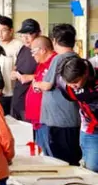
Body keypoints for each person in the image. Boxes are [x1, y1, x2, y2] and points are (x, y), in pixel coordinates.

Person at [35, 24, 82, 165]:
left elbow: (47, 85)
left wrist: (36, 84)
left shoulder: (58, 58)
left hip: (57, 121)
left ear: (54, 41)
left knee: (58, 162)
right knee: (71, 159)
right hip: (72, 119)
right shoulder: (77, 58)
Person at [61, 57, 98, 172]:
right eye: (69, 83)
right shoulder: (67, 88)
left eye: (76, 82)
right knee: (92, 168)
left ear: (85, 73)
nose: (73, 86)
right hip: (91, 131)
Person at [24, 36, 56, 139]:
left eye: (33, 51)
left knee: (47, 147)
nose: (32, 55)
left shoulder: (54, 63)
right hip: (38, 118)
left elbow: (47, 85)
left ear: (42, 50)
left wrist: (37, 84)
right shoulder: (42, 64)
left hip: (46, 118)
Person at [11, 19, 42, 121]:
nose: (25, 38)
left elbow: (49, 75)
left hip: (32, 102)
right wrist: (14, 73)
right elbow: (17, 67)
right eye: (23, 35)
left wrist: (30, 77)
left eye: (29, 34)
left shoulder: (42, 51)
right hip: (17, 99)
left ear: (39, 33)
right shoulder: (23, 49)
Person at [0, 16, 23, 114]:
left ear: (11, 31)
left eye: (3, 30)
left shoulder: (19, 46)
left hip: (13, 92)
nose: (0, 33)